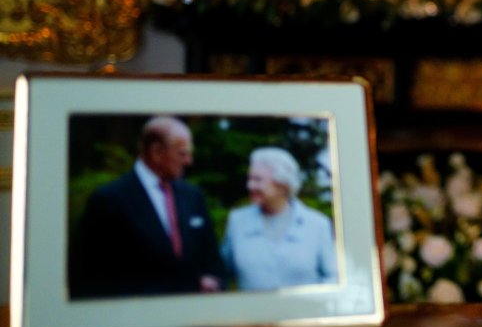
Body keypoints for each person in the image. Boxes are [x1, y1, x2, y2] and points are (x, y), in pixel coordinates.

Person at [70, 116, 224, 298]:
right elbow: (87, 275)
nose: (189, 161)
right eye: (182, 153)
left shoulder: (193, 196)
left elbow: (212, 258)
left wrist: (212, 279)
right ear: (157, 152)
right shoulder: (109, 199)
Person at [222, 146, 338, 291]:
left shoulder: (317, 224)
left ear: (282, 185)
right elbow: (221, 274)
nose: (250, 185)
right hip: (251, 313)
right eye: (250, 178)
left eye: (257, 180)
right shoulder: (237, 221)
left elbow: (332, 277)